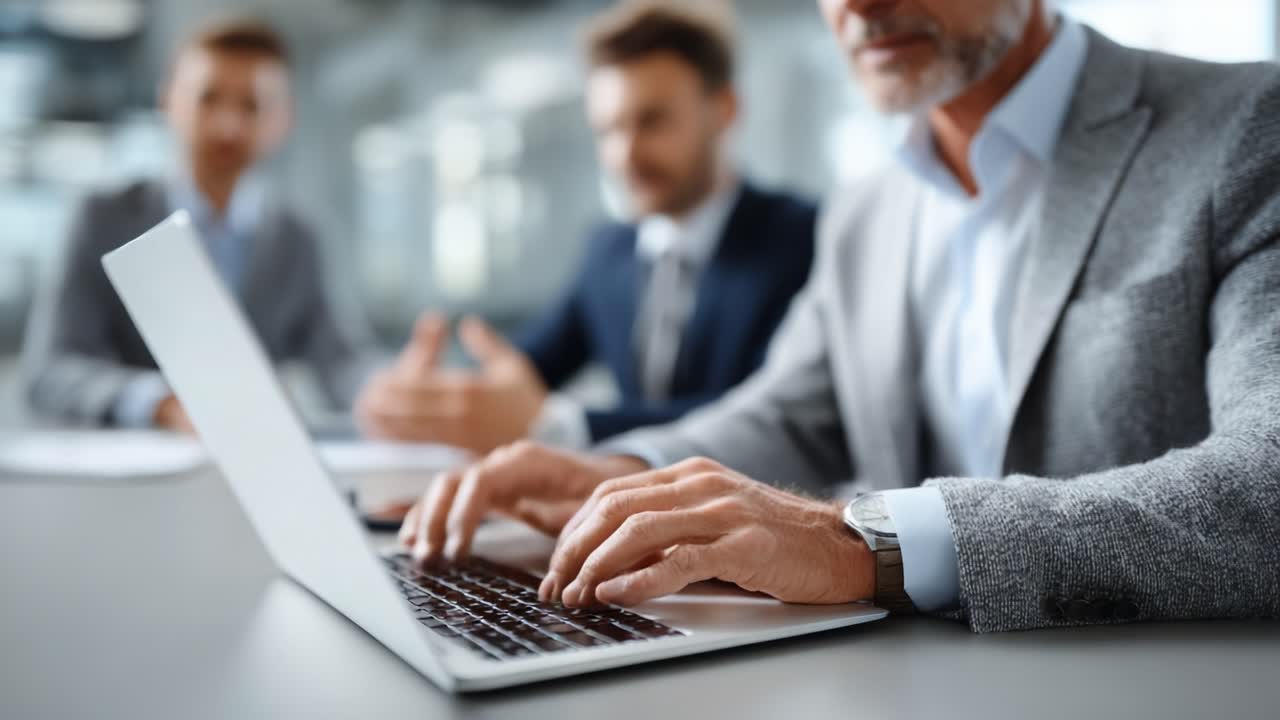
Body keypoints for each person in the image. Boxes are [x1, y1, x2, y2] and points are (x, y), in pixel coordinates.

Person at [395, 0, 1280, 633]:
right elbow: (790, 412)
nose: (857, 5)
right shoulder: (866, 210)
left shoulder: (1244, 127)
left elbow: (1267, 482)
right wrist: (619, 472)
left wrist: (867, 544)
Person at [356, 2, 818, 454]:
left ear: (724, 110)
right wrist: (436, 397)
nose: (625, 155)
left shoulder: (803, 239)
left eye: (651, 121)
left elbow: (769, 417)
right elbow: (529, 368)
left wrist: (562, 426)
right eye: (609, 130)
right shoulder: (609, 251)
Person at [24, 18, 379, 431]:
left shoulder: (296, 236)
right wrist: (162, 402)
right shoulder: (103, 218)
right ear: (167, 100)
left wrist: (390, 392)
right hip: (132, 475)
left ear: (284, 120)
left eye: (252, 105)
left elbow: (341, 360)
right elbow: (51, 369)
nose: (228, 125)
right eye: (208, 99)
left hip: (256, 469)